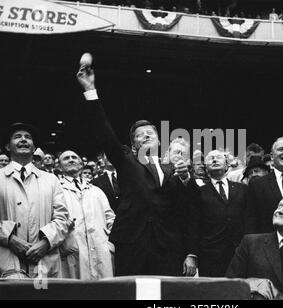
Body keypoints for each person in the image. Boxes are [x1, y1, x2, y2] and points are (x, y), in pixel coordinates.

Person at [76, 59, 198, 276]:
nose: (146, 135)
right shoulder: (126, 160)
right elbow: (105, 134)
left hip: (169, 247)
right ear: (133, 145)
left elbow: (188, 209)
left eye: (150, 132)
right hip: (132, 243)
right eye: (140, 135)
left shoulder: (175, 168)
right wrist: (90, 90)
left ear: (159, 141)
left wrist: (191, 252)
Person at [0, 123, 69, 278]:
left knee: (43, 295)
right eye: (17, 137)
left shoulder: (51, 180)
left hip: (44, 262)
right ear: (7, 146)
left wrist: (45, 243)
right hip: (6, 262)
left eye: (28, 137)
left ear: (34, 147)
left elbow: (62, 218)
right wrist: (10, 239)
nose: (23, 140)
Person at [58, 150, 115, 280]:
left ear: (81, 164)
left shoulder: (96, 190)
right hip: (72, 251)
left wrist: (109, 244)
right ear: (60, 166)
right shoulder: (57, 190)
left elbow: (110, 218)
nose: (71, 160)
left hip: (101, 250)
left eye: (74, 157)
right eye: (66, 158)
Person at [196, 150, 247, 277]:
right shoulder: (199, 192)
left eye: (218, 157)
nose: (214, 160)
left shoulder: (242, 189)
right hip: (210, 253)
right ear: (206, 168)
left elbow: (249, 218)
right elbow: (194, 222)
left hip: (239, 251)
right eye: (210, 158)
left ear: (226, 166)